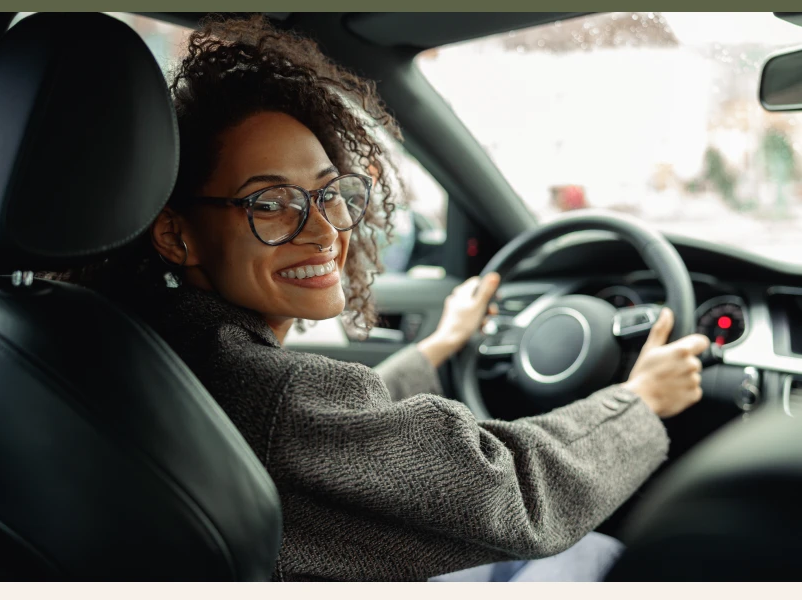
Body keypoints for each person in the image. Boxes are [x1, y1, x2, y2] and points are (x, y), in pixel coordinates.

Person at [46, 15, 710, 582]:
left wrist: (435, 349)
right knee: (615, 560)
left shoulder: (131, 342)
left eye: (330, 192)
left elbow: (333, 440)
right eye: (272, 203)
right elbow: (515, 494)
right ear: (176, 234)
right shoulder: (267, 393)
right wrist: (638, 402)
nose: (326, 228)